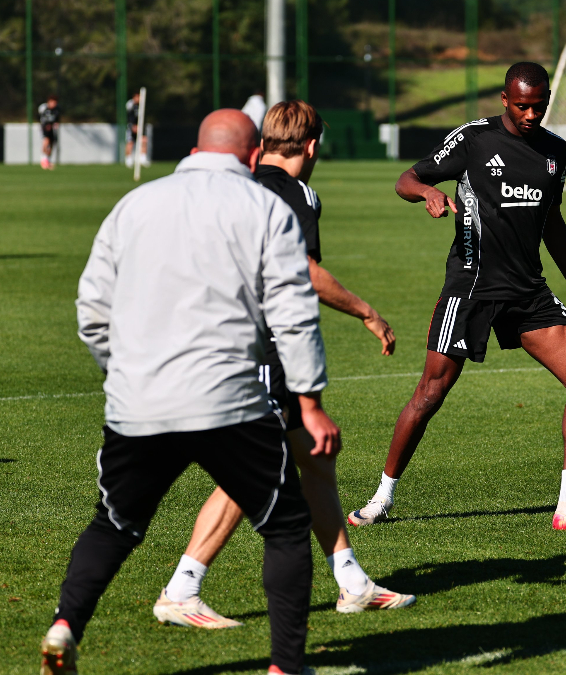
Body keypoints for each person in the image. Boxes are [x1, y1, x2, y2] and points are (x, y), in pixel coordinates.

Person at [41, 109, 336, 675]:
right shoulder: (264, 206)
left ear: (194, 150)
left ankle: (64, 626)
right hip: (228, 401)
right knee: (284, 526)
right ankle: (286, 666)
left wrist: (120, 373)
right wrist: (311, 403)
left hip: (139, 402)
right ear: (252, 157)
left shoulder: (134, 205)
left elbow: (91, 312)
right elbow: (294, 315)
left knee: (114, 524)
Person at [152, 99, 412, 628]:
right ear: (312, 146)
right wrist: (367, 311)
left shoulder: (236, 182)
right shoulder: (296, 193)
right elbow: (304, 271)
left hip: (213, 335)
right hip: (263, 349)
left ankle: (351, 582)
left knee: (314, 459)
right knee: (252, 467)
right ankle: (183, 587)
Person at [346, 62, 566, 532]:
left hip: (527, 289)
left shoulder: (556, 150)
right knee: (430, 393)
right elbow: (405, 180)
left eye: (540, 105)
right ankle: (381, 497)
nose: (532, 114)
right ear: (504, 99)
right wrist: (428, 192)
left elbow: (551, 218)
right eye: (522, 105)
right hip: (470, 288)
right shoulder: (474, 138)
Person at [125, 91, 148, 167]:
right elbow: (129, 117)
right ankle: (128, 159)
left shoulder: (142, 105)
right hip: (132, 126)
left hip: (141, 126)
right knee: (130, 142)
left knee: (144, 140)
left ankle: (143, 158)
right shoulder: (130, 105)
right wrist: (133, 126)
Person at [39, 94, 61, 170]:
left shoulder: (56, 110)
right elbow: (40, 118)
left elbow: (57, 119)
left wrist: (56, 124)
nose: (53, 104)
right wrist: (45, 125)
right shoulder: (43, 108)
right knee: (46, 142)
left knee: (51, 144)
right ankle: (43, 159)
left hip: (52, 128)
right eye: (52, 102)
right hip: (45, 128)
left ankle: (48, 160)